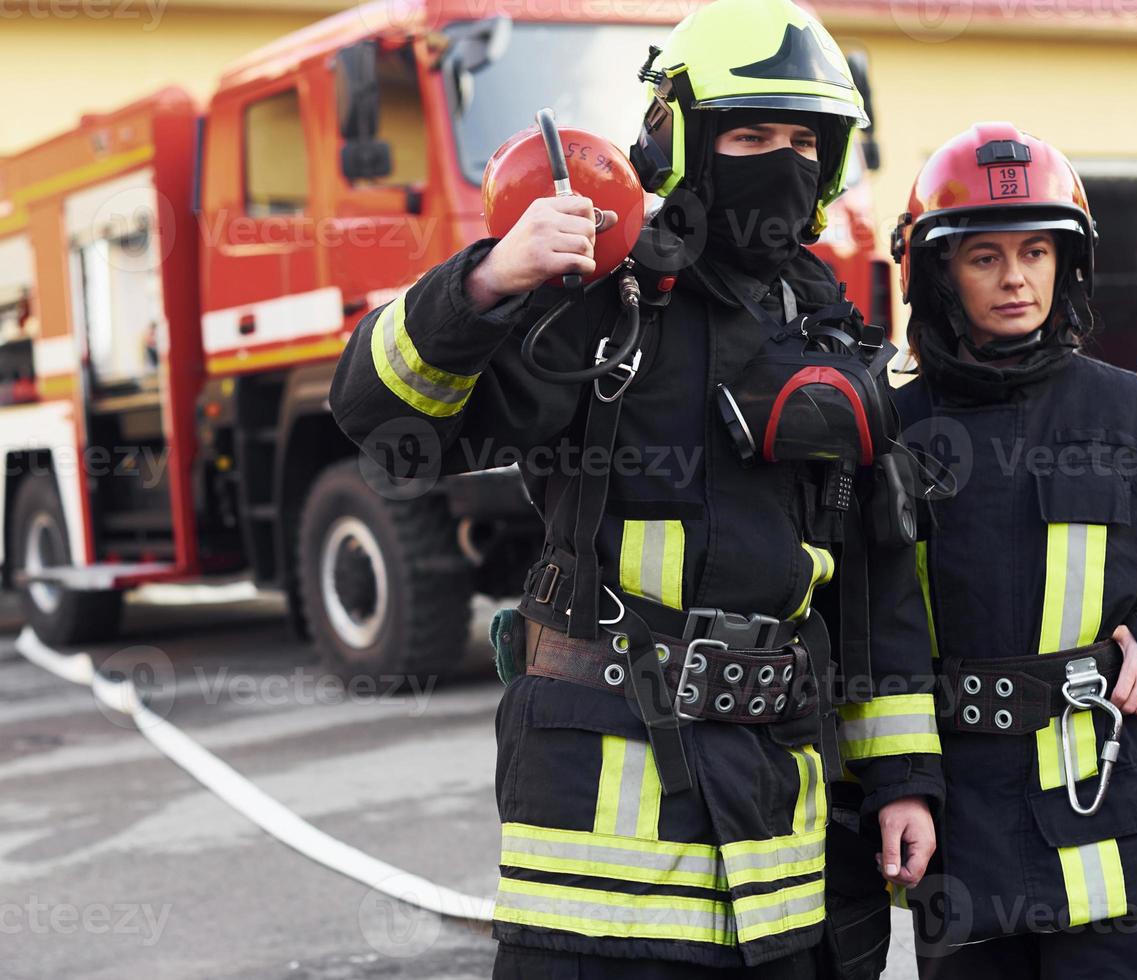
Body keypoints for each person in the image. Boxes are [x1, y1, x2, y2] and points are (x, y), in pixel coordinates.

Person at [329, 0, 943, 976]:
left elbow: (877, 582)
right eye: (748, 134)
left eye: (801, 139)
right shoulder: (607, 300)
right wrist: (488, 281)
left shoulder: (835, 334)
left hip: (783, 824)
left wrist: (904, 776)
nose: (777, 160)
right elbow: (389, 421)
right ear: (681, 140)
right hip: (593, 834)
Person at [889, 122, 1137, 978]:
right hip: (964, 831)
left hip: (1115, 822)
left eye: (1036, 252)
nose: (1014, 279)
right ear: (938, 275)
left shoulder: (1129, 414)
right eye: (984, 257)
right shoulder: (895, 430)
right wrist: (897, 786)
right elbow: (871, 626)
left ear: (1065, 266)